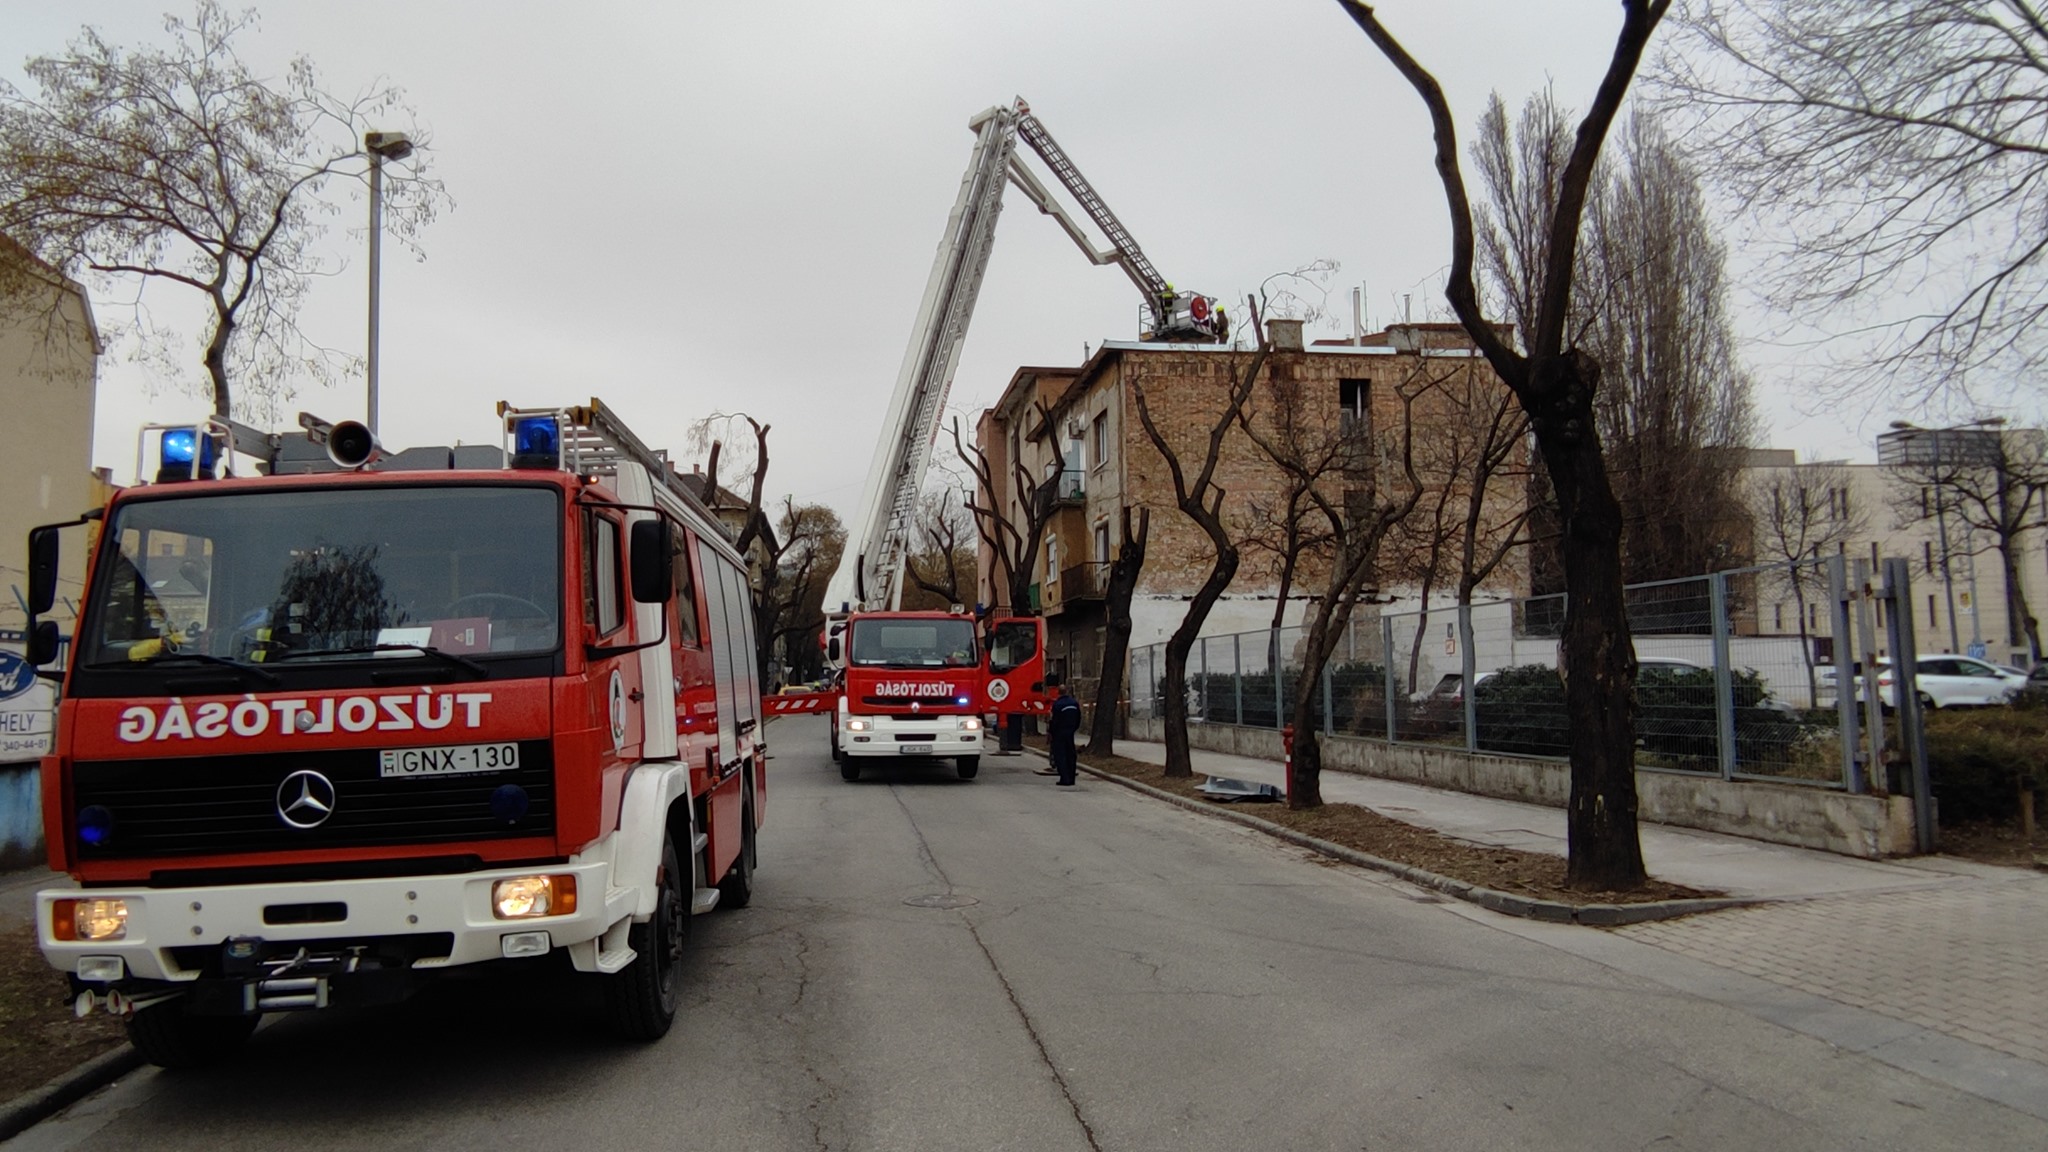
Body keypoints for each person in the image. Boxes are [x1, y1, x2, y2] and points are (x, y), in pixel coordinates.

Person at [1046, 673, 1082, 786]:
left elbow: (1054, 720)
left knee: (1060, 755)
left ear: (1058, 692)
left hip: (1059, 733)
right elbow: (1078, 718)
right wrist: (1074, 728)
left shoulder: (1057, 705)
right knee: (1071, 755)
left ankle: (1064, 778)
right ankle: (1071, 778)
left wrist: (1051, 733)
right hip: (1070, 732)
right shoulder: (1074, 703)